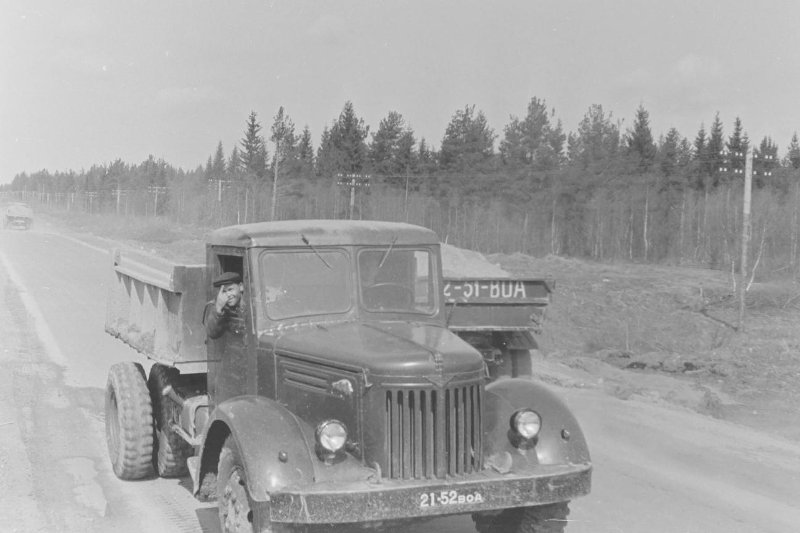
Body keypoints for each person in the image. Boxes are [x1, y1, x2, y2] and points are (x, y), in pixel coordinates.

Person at [204, 271, 244, 339]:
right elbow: (212, 333)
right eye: (224, 291)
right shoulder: (216, 307)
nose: (228, 295)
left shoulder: (251, 303)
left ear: (241, 287)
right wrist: (219, 308)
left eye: (230, 289)